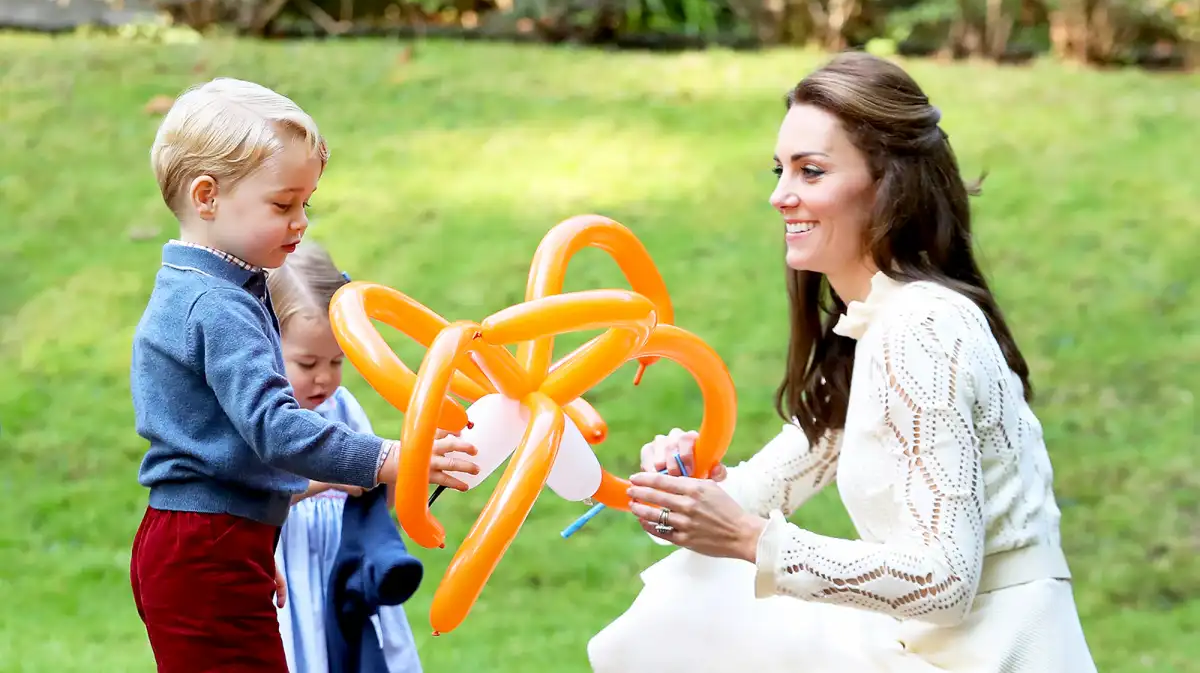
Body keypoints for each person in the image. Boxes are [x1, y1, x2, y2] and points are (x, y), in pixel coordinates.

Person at [588, 52, 1097, 673]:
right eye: (780, 170)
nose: (780, 196)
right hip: (931, 646)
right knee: (690, 597)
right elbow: (750, 500)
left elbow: (943, 580)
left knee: (691, 606)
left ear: (887, 185)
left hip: (995, 652)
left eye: (812, 171)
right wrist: (689, 491)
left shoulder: (924, 325)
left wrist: (749, 541)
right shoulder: (871, 328)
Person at [129, 77, 479, 673]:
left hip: (213, 542)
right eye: (282, 204)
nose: (301, 223)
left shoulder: (213, 291)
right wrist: (391, 456)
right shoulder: (215, 305)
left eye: (305, 205)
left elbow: (230, 447)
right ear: (208, 197)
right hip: (205, 546)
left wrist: (257, 548)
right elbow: (276, 429)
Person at [268, 241, 423, 673]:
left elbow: (374, 498)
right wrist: (333, 475)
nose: (324, 377)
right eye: (307, 362)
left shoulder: (343, 408)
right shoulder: (264, 417)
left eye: (337, 361)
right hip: (290, 579)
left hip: (345, 571)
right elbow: (256, 496)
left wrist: (414, 460)